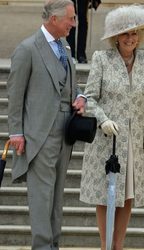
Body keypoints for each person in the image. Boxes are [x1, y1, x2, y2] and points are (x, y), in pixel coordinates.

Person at [79, 5, 144, 250]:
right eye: (125, 34)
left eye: (135, 33)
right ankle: (105, 245)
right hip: (107, 141)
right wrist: (103, 119)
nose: (131, 38)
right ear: (115, 36)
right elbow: (89, 98)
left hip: (133, 141)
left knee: (127, 196)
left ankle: (119, 246)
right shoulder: (101, 59)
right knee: (105, 196)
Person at [7, 0, 86, 249]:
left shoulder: (65, 47)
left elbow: (70, 85)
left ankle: (53, 244)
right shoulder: (27, 49)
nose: (74, 24)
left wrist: (80, 97)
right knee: (41, 195)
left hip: (65, 132)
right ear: (54, 19)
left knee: (57, 195)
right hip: (38, 133)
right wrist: (16, 132)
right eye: (70, 19)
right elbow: (15, 94)